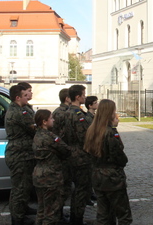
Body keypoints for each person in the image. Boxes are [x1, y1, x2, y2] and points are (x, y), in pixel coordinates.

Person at [85, 99, 133, 225]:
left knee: (103, 213)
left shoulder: (92, 130)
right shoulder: (110, 133)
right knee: (123, 215)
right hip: (112, 177)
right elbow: (119, 157)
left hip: (97, 175)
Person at [33, 109, 71, 225]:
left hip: (39, 175)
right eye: (51, 118)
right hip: (51, 177)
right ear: (44, 122)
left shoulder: (37, 135)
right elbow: (66, 150)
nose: (53, 120)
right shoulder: (50, 137)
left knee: (41, 210)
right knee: (51, 213)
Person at [4, 85, 36, 225]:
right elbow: (33, 128)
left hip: (24, 154)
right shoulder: (18, 113)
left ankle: (22, 210)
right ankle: (18, 219)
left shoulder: (20, 109)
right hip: (20, 155)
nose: (28, 96)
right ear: (18, 97)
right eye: (25, 95)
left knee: (24, 187)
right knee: (19, 189)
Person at [63, 85, 92, 225]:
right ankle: (77, 219)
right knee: (82, 189)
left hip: (72, 153)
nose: (85, 97)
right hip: (81, 155)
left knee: (77, 189)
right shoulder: (78, 115)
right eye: (83, 94)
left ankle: (75, 217)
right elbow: (84, 137)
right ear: (77, 97)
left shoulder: (67, 112)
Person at [52, 88, 72, 222]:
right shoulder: (65, 113)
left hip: (61, 151)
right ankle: (57, 215)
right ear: (67, 99)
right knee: (63, 186)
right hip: (63, 152)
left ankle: (58, 213)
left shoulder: (57, 112)